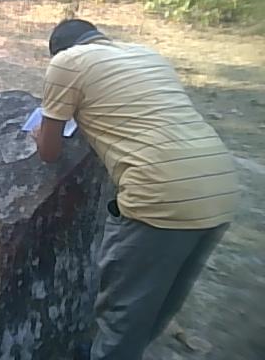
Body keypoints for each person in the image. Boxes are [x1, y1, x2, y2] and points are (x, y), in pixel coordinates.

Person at [32, 19, 239, 360]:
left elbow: (49, 151)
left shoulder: (67, 62)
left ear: (60, 50)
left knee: (122, 314)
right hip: (220, 187)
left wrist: (39, 135)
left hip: (160, 195)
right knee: (160, 304)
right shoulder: (147, 55)